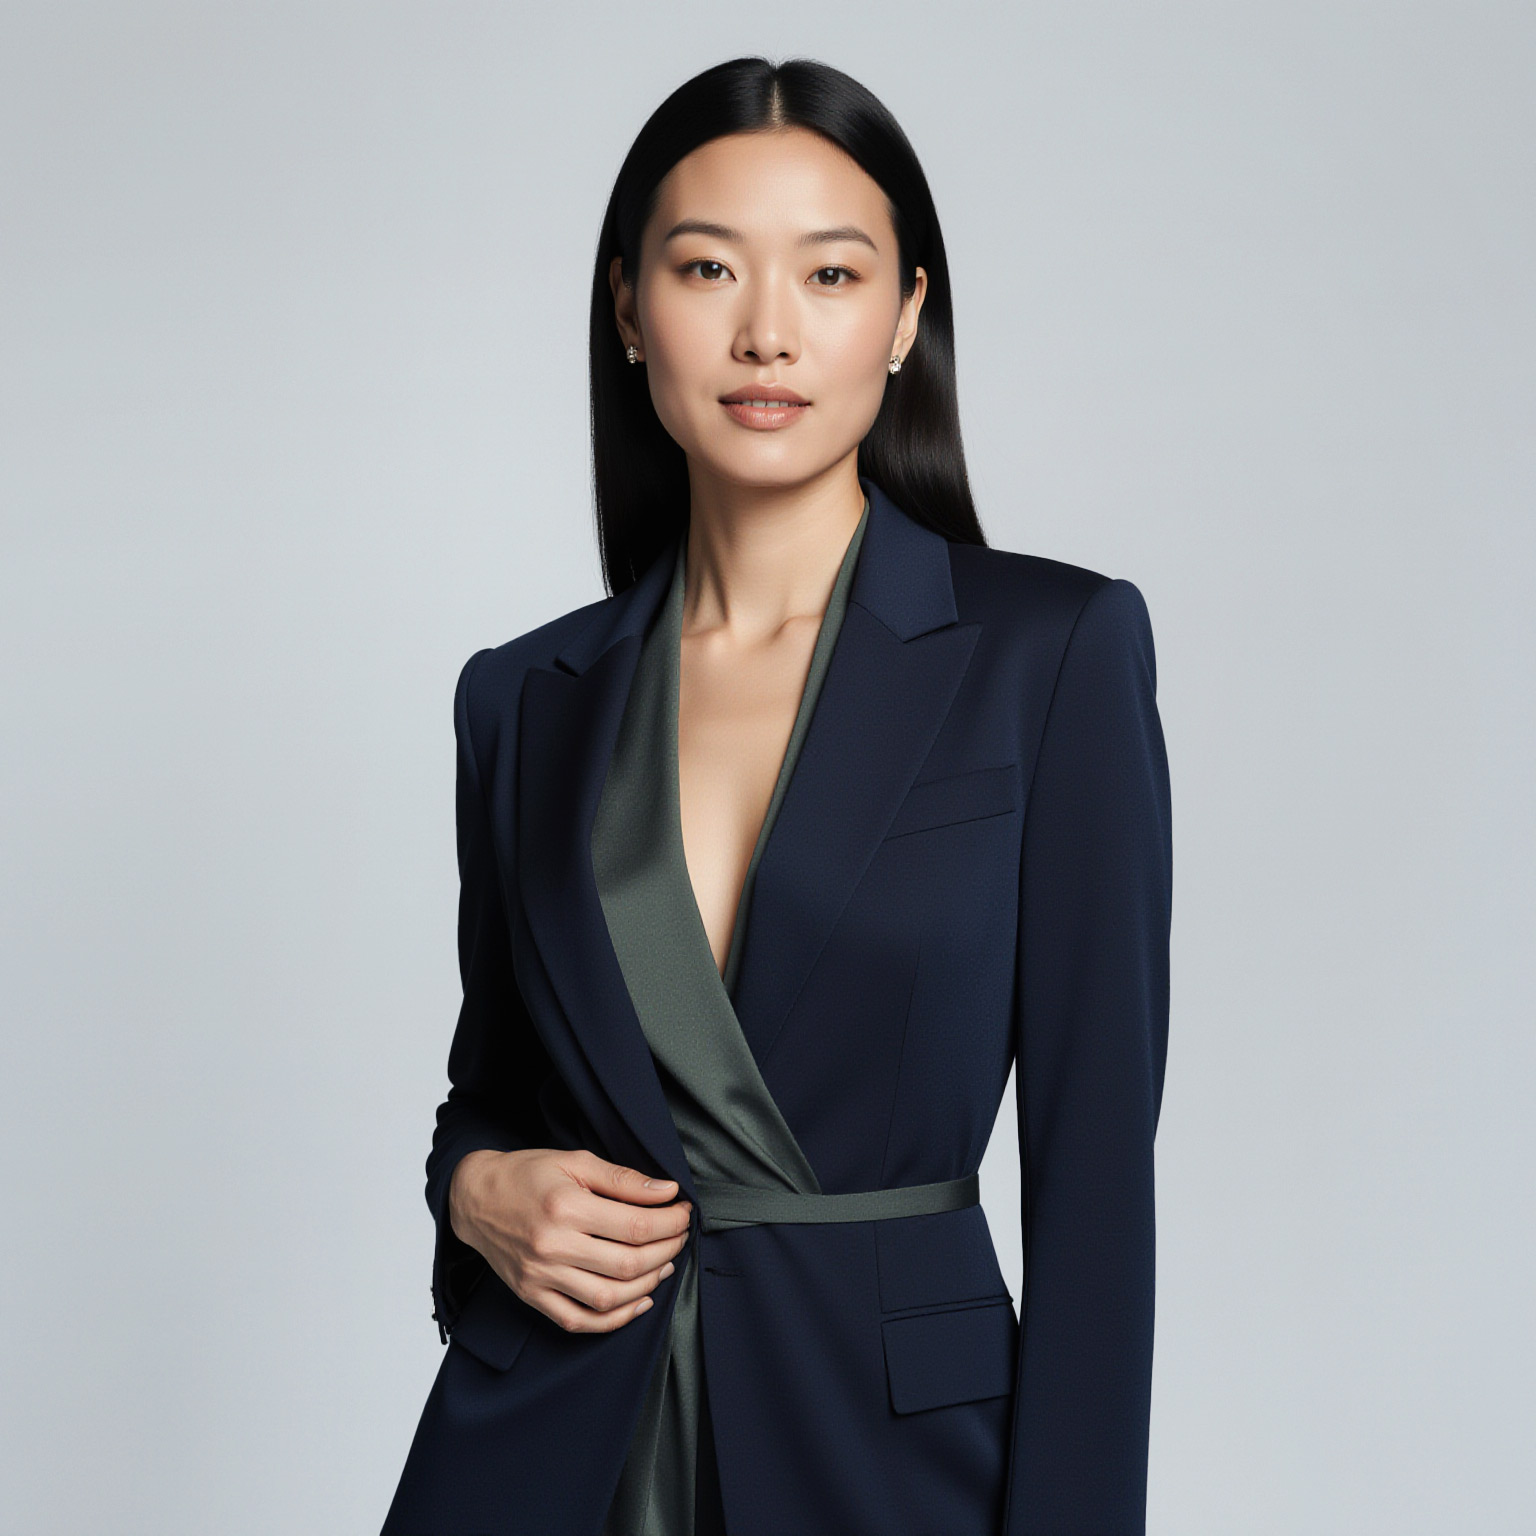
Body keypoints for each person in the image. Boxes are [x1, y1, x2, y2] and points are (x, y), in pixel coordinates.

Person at [382, 55, 1172, 1536]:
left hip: (890, 1464)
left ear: (906, 318)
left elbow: (1095, 1190)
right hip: (542, 1454)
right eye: (703, 268)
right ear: (629, 311)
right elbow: (489, 1095)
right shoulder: (521, 699)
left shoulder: (1052, 655)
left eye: (828, 272)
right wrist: (475, 1192)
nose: (765, 331)